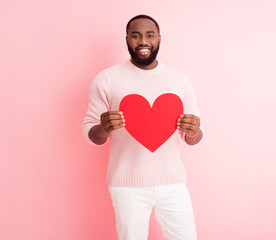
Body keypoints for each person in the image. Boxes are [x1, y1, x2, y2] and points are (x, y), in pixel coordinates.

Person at [82, 14, 203, 240]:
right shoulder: (106, 79)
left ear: (159, 38)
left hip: (173, 183)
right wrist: (103, 128)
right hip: (127, 186)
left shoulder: (179, 80)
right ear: (127, 39)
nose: (143, 41)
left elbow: (193, 137)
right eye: (136, 36)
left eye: (149, 35)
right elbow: (91, 134)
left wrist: (194, 131)